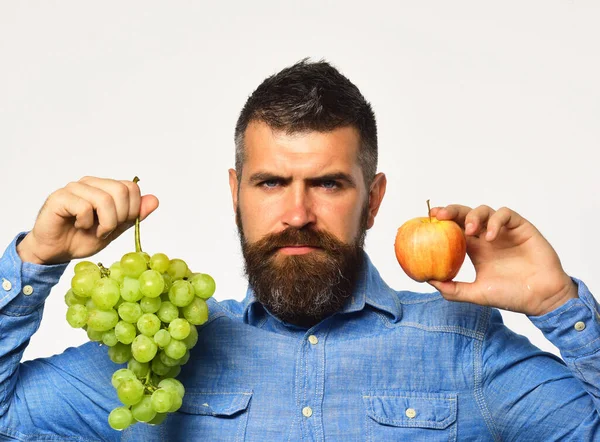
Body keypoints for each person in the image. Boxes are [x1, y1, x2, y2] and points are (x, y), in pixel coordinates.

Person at [0, 58, 598, 442]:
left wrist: (558, 303)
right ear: (236, 193)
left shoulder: (465, 350)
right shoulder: (151, 355)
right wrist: (37, 261)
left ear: (374, 198)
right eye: (270, 183)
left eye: (329, 184)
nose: (297, 215)